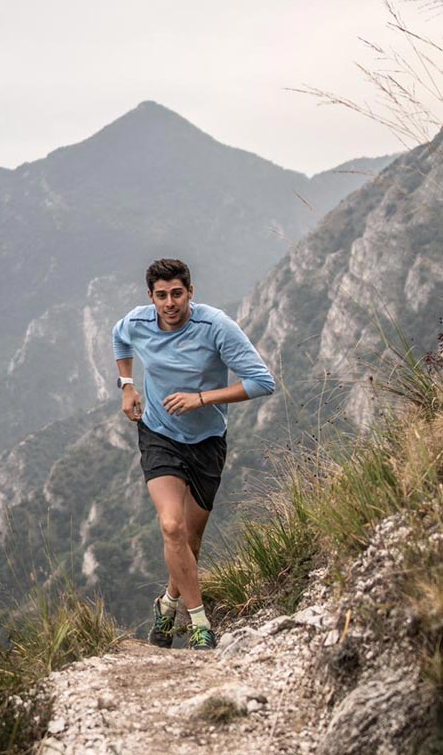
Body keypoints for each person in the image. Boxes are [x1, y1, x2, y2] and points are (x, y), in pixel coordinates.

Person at [111, 258, 275, 650]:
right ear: (150, 297)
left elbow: (261, 382)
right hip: (158, 434)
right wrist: (127, 385)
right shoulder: (137, 322)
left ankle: (167, 605)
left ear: (190, 292)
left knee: (191, 541)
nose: (170, 303)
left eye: (177, 294)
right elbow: (119, 338)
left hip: (206, 442)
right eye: (162, 296)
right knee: (172, 527)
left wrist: (202, 398)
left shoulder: (215, 326)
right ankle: (200, 623)